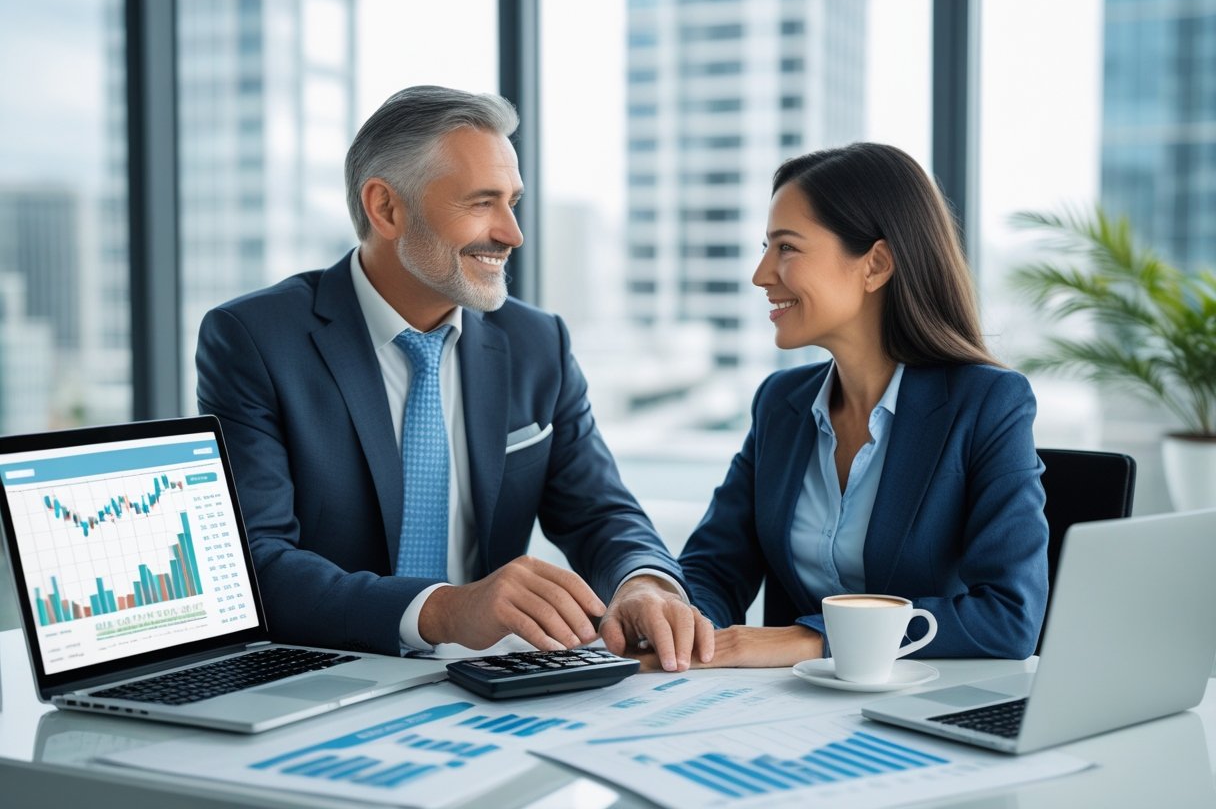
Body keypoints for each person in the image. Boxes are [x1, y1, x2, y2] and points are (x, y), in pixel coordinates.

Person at [196, 85, 712, 671]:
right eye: (481, 202)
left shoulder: (538, 343)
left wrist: (642, 582)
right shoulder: (256, 339)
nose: (512, 233)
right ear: (386, 208)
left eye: (513, 201)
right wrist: (442, 611)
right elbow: (253, 561)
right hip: (325, 671)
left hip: (491, 681)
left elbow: (601, 513)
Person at [674, 143, 1048, 668]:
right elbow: (714, 567)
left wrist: (812, 640)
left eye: (786, 248)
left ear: (875, 264)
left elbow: (1009, 618)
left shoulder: (987, 404)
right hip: (786, 711)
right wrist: (684, 628)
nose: (761, 274)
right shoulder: (781, 403)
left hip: (925, 711)